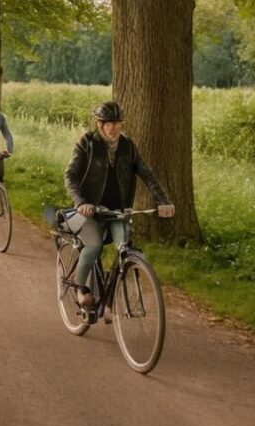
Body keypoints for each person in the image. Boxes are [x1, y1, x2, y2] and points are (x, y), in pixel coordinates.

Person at [63, 101, 175, 308]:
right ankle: (81, 289)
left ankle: (109, 302)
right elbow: (71, 176)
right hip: (91, 211)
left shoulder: (128, 147)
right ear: (99, 124)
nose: (113, 128)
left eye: (117, 123)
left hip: (118, 212)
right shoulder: (87, 143)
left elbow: (147, 175)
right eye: (107, 123)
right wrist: (80, 202)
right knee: (94, 245)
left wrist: (163, 201)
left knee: (125, 249)